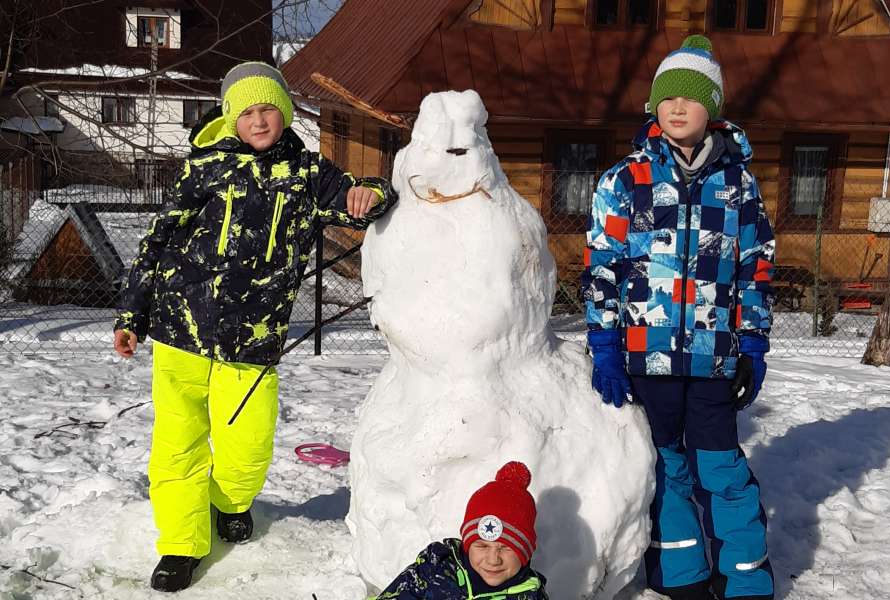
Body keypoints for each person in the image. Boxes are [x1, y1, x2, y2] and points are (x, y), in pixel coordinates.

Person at [112, 61, 396, 592]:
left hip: (254, 340)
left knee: (248, 446)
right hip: (181, 330)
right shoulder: (203, 170)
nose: (259, 121)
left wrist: (375, 194)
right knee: (177, 445)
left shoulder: (309, 174)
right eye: (247, 112)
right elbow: (157, 242)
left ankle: (230, 502)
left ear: (285, 114)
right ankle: (181, 543)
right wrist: (133, 313)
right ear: (231, 118)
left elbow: (364, 197)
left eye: (268, 109)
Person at [582, 35, 775, 600]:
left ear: (711, 108)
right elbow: (602, 268)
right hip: (646, 353)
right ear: (653, 107)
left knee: (721, 471)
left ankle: (745, 578)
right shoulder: (624, 182)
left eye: (689, 98)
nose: (676, 107)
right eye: (666, 98)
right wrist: (606, 344)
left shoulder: (738, 185)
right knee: (666, 469)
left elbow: (754, 270)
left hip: (714, 358)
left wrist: (754, 344)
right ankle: (681, 575)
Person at [376, 462, 549, 600]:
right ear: (467, 546)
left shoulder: (530, 595)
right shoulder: (436, 569)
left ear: (525, 553)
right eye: (482, 546)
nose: (493, 560)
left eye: (505, 548)